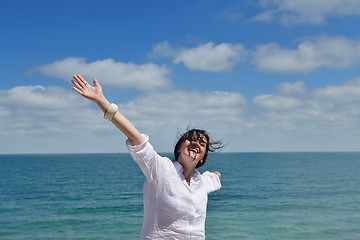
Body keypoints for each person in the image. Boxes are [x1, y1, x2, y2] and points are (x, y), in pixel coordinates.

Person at [71, 74, 223, 240]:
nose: (196, 143)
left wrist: (216, 175)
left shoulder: (201, 182)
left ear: (202, 158)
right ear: (179, 148)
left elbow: (214, 177)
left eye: (202, 143)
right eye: (191, 139)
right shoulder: (162, 169)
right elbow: (136, 137)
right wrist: (102, 101)